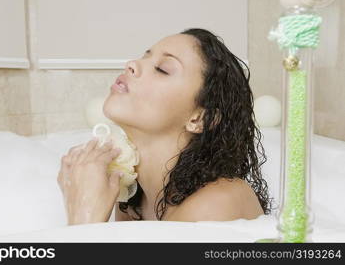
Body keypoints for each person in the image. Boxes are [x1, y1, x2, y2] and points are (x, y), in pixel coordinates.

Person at [57, 28, 273, 225]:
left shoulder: (220, 201)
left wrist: (84, 216)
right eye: (144, 56)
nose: (132, 64)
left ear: (200, 119)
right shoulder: (133, 205)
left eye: (162, 69)